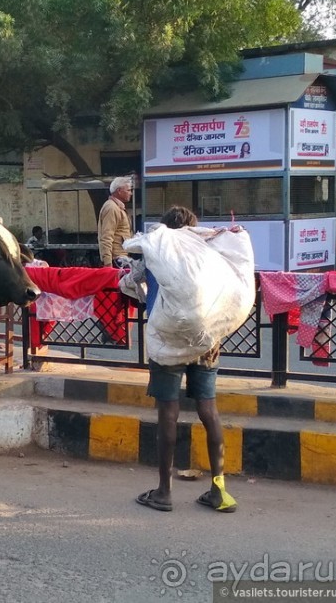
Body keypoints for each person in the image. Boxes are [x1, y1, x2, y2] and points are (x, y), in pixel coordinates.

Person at [126, 206, 237, 514]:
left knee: (168, 414)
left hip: (168, 339)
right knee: (208, 410)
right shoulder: (208, 254)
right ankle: (219, 491)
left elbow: (135, 283)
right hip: (207, 339)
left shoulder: (153, 251)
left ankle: (163, 493)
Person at [97, 176, 133, 267]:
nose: (131, 193)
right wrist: (108, 263)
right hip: (116, 258)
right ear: (119, 191)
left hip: (120, 256)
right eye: (128, 190)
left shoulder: (117, 207)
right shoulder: (112, 208)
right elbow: (106, 237)